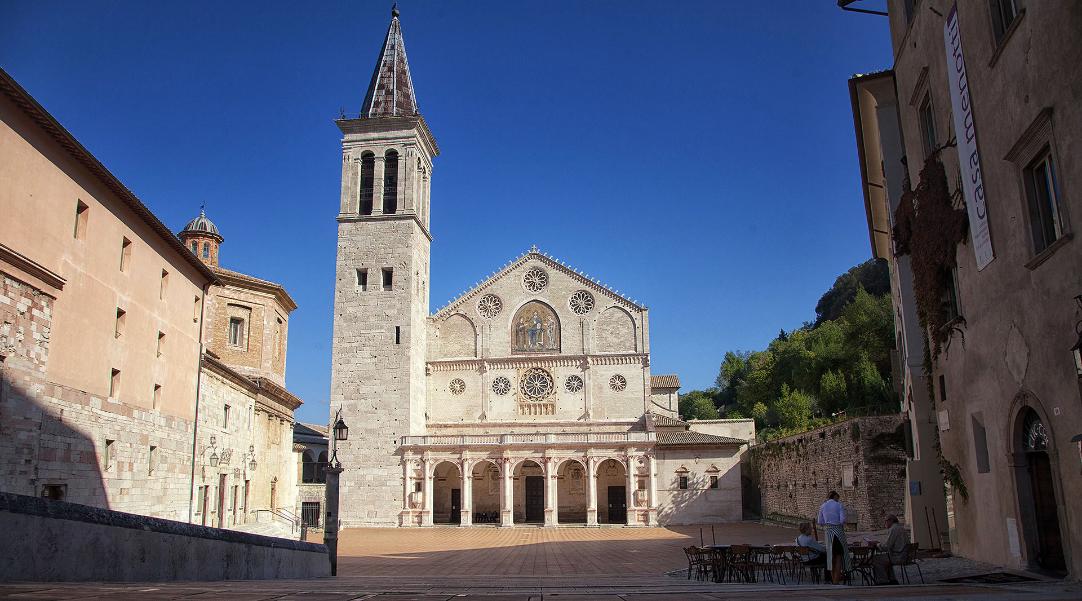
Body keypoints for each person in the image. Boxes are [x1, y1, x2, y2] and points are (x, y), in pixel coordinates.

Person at [817, 491, 849, 584]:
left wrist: (827, 524)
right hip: (838, 531)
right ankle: (836, 580)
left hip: (828, 532)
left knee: (831, 557)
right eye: (837, 498)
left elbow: (820, 521)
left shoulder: (823, 506)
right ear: (835, 496)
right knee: (838, 556)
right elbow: (843, 519)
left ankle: (833, 578)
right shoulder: (839, 505)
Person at [873, 514, 908, 585]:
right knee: (885, 558)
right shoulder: (900, 528)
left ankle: (883, 581)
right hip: (904, 554)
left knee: (876, 559)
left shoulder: (894, 529)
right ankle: (892, 579)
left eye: (886, 521)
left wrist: (877, 544)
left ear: (891, 521)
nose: (885, 523)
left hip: (898, 556)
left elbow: (886, 546)